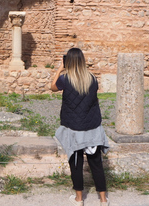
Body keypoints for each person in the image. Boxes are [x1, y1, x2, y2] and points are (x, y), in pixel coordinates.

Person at [51, 48, 110, 206]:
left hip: (73, 129)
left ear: (68, 61)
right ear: (82, 60)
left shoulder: (65, 78)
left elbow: (52, 87)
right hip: (91, 128)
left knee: (75, 164)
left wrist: (59, 69)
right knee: (96, 164)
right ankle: (103, 200)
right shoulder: (92, 78)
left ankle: (79, 199)